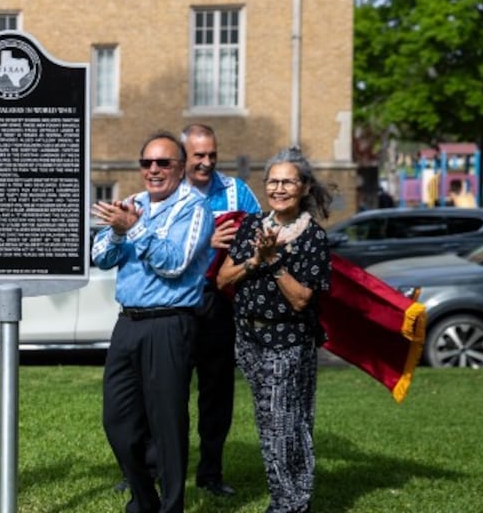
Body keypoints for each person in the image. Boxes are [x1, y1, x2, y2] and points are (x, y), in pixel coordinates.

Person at [92, 132, 213, 513]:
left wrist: (135, 230)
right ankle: (144, 500)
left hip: (169, 323)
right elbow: (100, 256)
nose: (154, 170)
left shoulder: (195, 207)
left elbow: (175, 264)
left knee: (167, 422)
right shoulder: (132, 203)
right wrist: (116, 230)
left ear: (181, 167)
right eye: (147, 163)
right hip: (127, 323)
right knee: (117, 421)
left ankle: (171, 506)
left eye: (163, 163)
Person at [216, 147, 333, 513]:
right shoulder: (252, 226)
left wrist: (274, 262)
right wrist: (254, 260)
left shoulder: (312, 237)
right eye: (273, 181)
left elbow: (300, 300)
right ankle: (296, 495)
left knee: (281, 421)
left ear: (304, 187)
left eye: (287, 181)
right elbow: (223, 279)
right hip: (249, 338)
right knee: (276, 420)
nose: (279, 188)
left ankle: (287, 504)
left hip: (288, 340)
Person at [180, 124, 262, 497]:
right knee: (165, 393)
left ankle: (211, 473)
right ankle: (153, 468)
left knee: (216, 395)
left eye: (212, 155)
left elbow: (261, 236)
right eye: (199, 156)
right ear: (184, 157)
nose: (207, 162)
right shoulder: (167, 191)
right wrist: (204, 240)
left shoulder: (236, 192)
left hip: (217, 305)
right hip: (174, 302)